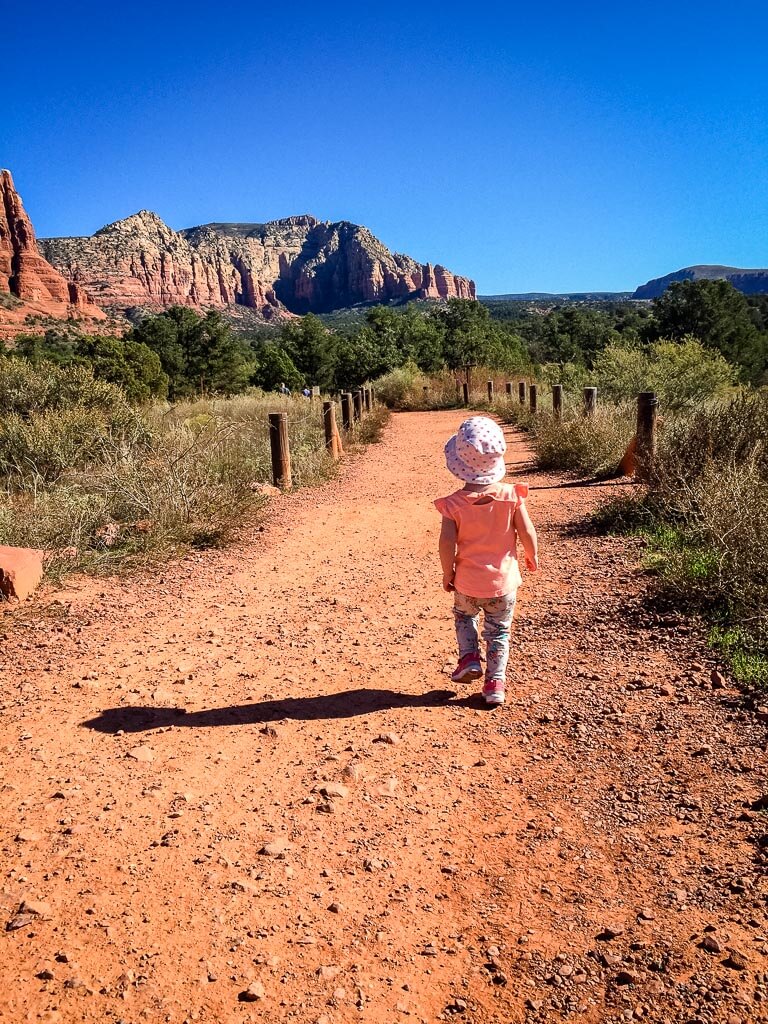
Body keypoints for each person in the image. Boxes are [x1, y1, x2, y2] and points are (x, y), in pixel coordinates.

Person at [434, 416, 538, 706]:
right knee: (499, 632)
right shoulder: (511, 496)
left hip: (467, 581)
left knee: (464, 616)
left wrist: (447, 572)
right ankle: (494, 683)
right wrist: (532, 554)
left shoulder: (453, 505)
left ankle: (468, 657)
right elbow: (527, 530)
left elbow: (446, 543)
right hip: (503, 585)